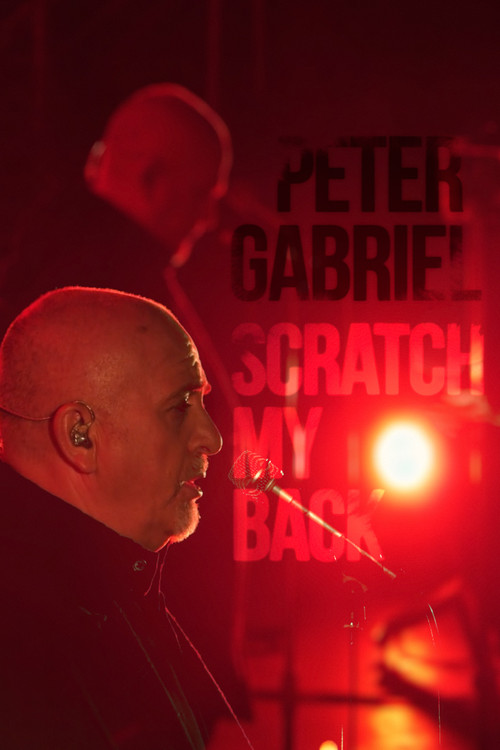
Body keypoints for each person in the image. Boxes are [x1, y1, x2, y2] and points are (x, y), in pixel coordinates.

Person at [0, 286, 249, 749]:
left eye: (203, 403)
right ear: (80, 435)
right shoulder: (24, 645)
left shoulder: (115, 585)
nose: (212, 439)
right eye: (179, 407)